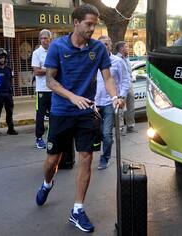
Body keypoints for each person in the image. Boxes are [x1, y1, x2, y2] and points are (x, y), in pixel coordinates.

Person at [34, 4, 124, 233]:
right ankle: (47, 183)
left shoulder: (98, 49)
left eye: (95, 24)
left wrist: (115, 97)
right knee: (52, 161)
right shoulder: (57, 47)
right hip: (62, 112)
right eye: (88, 24)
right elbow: (50, 81)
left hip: (86, 113)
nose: (92, 29)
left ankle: (77, 209)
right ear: (75, 22)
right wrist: (73, 97)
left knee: (85, 158)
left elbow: (108, 78)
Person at [95, 36, 130, 170]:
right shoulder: (93, 62)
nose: (103, 47)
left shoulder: (117, 62)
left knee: (106, 133)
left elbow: (125, 80)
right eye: (100, 45)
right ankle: (107, 143)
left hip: (110, 102)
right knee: (98, 133)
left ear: (110, 46)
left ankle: (105, 157)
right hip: (95, 104)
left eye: (106, 44)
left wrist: (121, 97)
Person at [31, 29, 52, 149]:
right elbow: (37, 71)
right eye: (42, 38)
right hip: (42, 90)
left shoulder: (54, 51)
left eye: (46, 38)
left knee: (54, 115)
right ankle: (39, 138)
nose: (44, 40)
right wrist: (51, 70)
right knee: (40, 115)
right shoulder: (36, 53)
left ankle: (52, 136)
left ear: (50, 39)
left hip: (54, 89)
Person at [0, 48, 18, 137]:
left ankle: (11, 129)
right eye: (0, 58)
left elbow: (11, 80)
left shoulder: (9, 69)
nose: (2, 59)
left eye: (3, 58)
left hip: (8, 94)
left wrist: (11, 90)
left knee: (9, 112)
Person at [115, 41, 136, 134]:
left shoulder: (127, 58)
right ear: (121, 49)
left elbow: (129, 72)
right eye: (126, 47)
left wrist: (132, 78)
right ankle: (120, 128)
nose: (128, 48)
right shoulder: (116, 59)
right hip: (121, 86)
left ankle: (130, 126)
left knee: (131, 106)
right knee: (120, 107)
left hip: (130, 85)